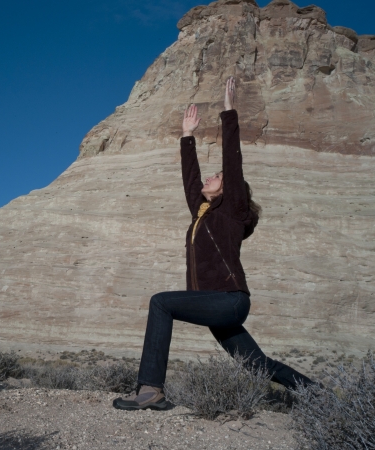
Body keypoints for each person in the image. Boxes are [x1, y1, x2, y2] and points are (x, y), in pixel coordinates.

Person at [113, 77, 315, 411]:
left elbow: (233, 165)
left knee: (160, 302)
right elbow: (191, 180)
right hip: (216, 305)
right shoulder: (203, 213)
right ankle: (318, 395)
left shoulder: (234, 210)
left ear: (229, 190)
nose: (210, 177)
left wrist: (229, 110)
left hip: (230, 300)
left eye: (216, 177)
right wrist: (187, 135)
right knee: (257, 365)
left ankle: (150, 389)